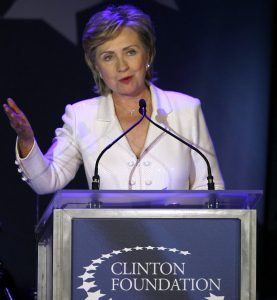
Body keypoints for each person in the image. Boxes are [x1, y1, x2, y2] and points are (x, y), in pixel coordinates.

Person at [3, 4, 224, 194]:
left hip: (180, 241)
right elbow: (47, 181)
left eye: (130, 52)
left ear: (148, 54)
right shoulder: (82, 117)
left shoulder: (185, 109)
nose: (121, 66)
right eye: (108, 57)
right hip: (110, 242)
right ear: (97, 67)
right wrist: (27, 141)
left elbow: (210, 187)